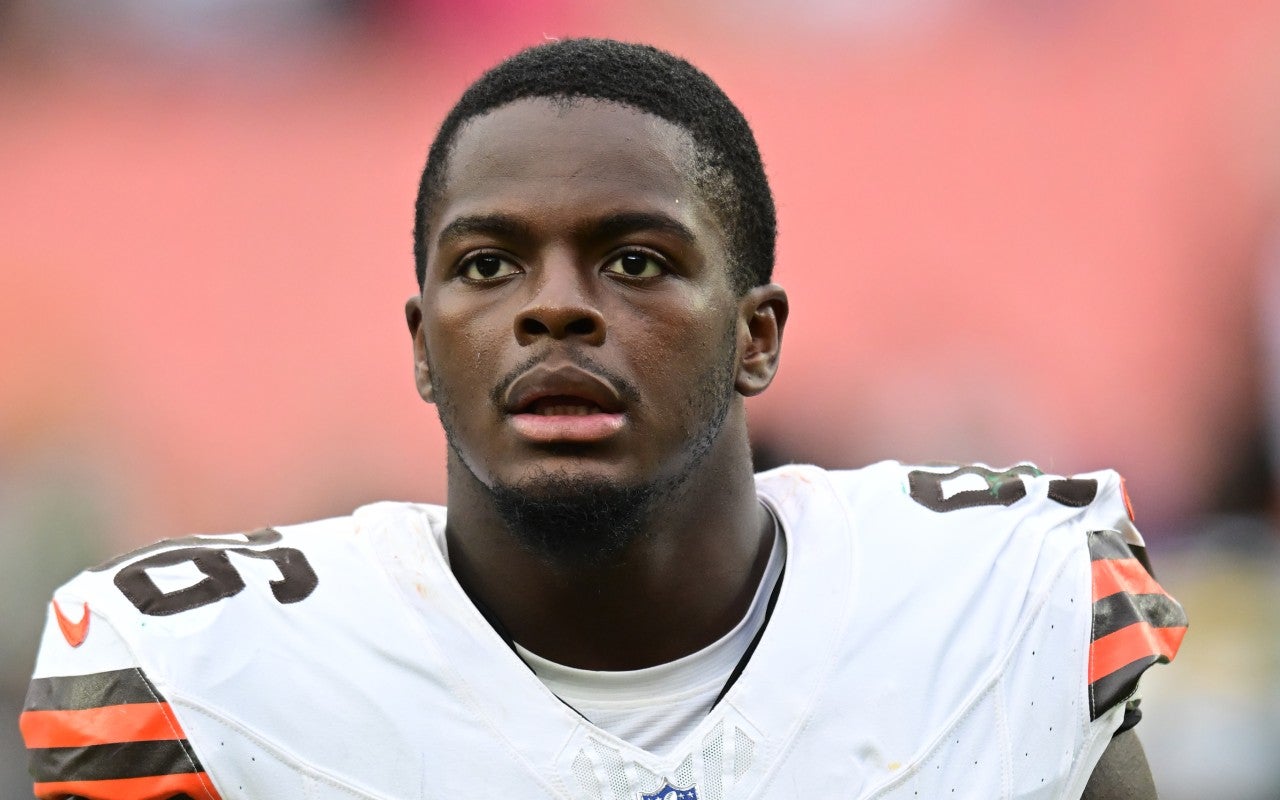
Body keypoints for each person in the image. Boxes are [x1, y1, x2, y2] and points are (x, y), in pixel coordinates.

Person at [19, 38, 1185, 799]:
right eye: (488, 265)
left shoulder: (988, 607)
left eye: (633, 258)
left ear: (755, 335)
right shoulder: (211, 676)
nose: (556, 309)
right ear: (423, 347)